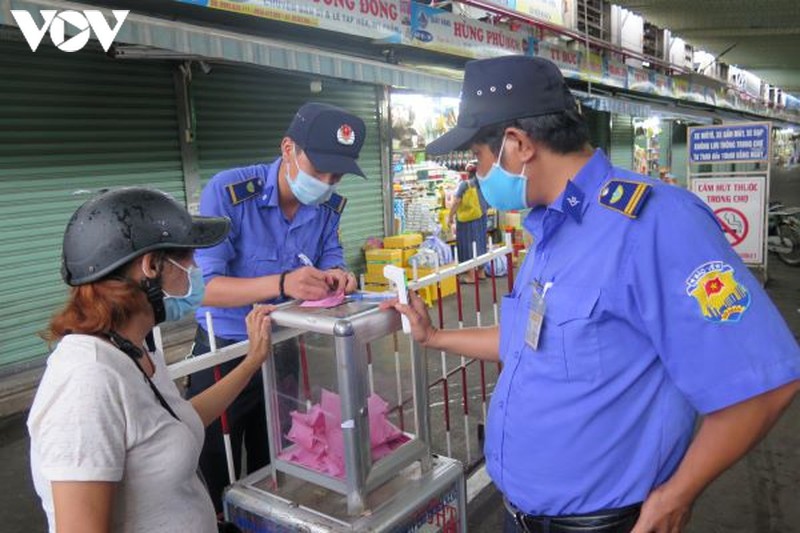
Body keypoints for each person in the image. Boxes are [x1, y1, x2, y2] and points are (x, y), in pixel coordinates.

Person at [387, 56, 800, 533]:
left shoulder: (654, 224)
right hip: (521, 516)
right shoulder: (550, 227)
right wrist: (434, 336)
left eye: (478, 161)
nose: (476, 176)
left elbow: (765, 381)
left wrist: (678, 495)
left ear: (517, 145)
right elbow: (531, 340)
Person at [27, 187, 274, 532]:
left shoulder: (133, 348)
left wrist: (252, 360)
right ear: (152, 265)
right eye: (189, 257)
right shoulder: (86, 382)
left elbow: (177, 422)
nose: (197, 270)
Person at [189, 102, 364, 512]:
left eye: (336, 175)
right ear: (288, 148)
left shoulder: (327, 208)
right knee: (219, 463)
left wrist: (341, 275)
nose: (325, 182)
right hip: (226, 352)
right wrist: (282, 283)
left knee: (280, 457)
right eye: (317, 169)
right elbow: (205, 288)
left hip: (284, 346)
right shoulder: (229, 193)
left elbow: (331, 258)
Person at [447, 165, 489, 283]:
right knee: (481, 242)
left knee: (468, 244)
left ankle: (470, 276)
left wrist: (450, 216)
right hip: (481, 216)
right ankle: (481, 272)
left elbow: (456, 202)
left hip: (468, 219)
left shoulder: (465, 184)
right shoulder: (483, 183)